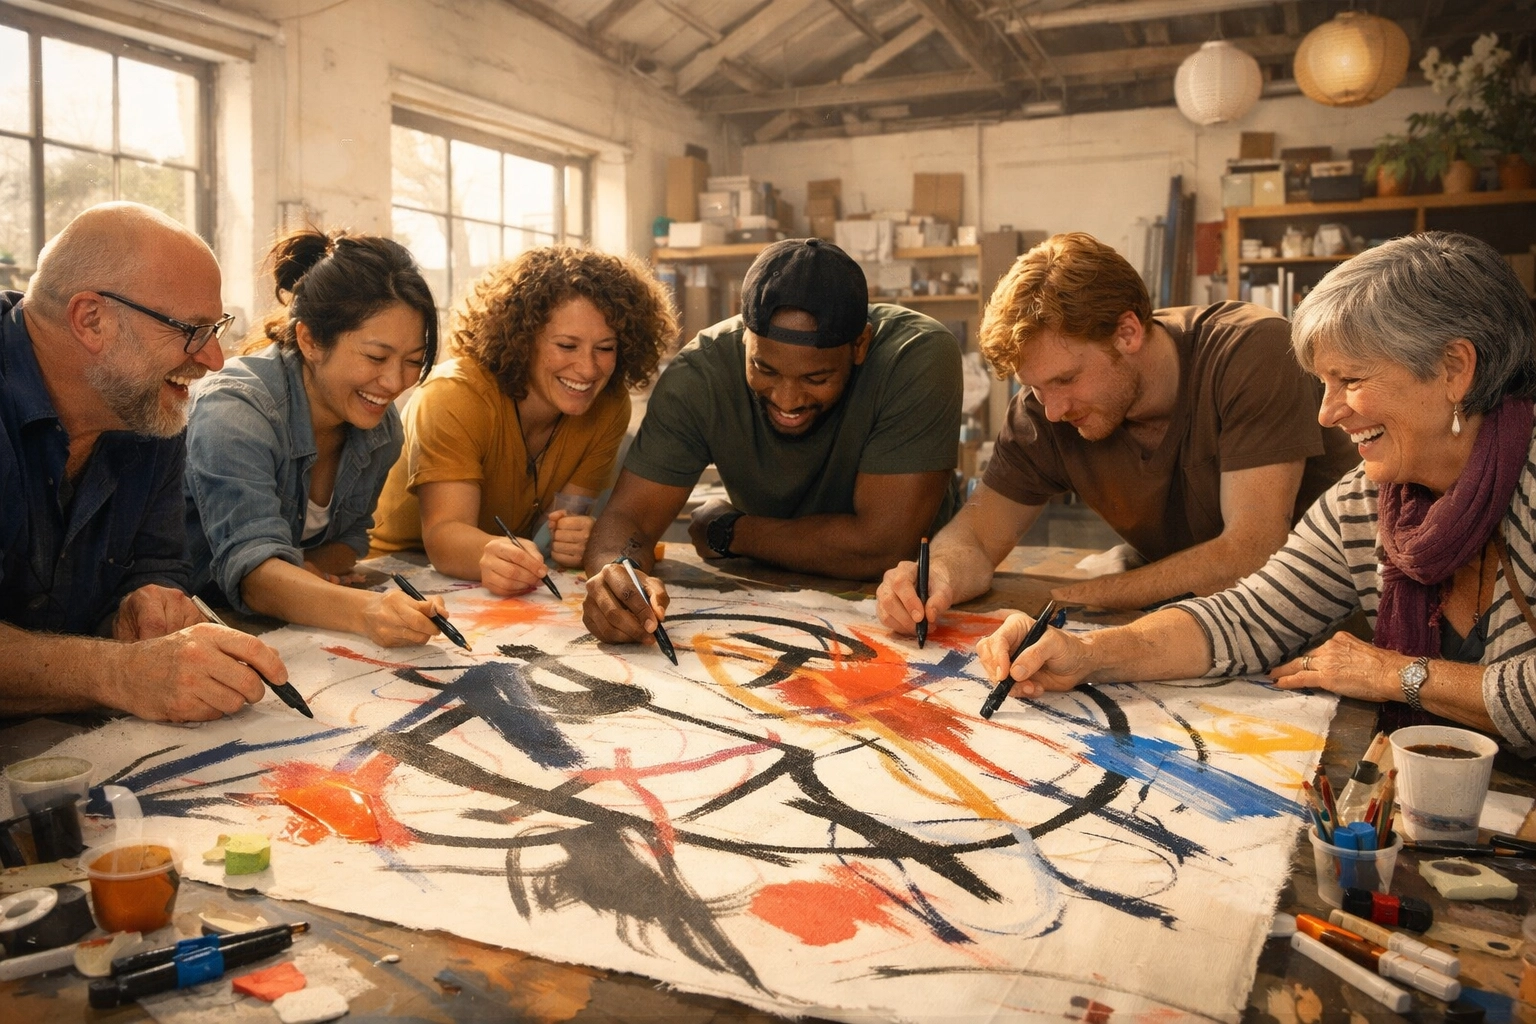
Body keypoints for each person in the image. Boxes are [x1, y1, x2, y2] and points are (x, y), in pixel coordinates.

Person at [975, 232, 1536, 748]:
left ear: (1454, 368)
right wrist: (1088, 653)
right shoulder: (1366, 504)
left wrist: (1393, 673)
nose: (1326, 412)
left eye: (1352, 381)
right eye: (1323, 383)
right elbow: (1248, 617)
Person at [878, 231, 1359, 633]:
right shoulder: (1043, 409)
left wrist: (1074, 596)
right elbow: (976, 540)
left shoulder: (1250, 350)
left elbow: (1250, 552)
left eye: (1065, 379)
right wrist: (937, 575)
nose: (1054, 410)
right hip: (1197, 618)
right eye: (1036, 386)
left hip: (1331, 616)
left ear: (1127, 332)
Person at [583, 237, 963, 647]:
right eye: (764, 369)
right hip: (765, 595)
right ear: (744, 335)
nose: (787, 399)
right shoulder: (699, 375)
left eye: (815, 379)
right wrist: (615, 578)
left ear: (861, 346)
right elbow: (630, 519)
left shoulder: (916, 355)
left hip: (913, 608)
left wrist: (731, 533)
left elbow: (880, 548)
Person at [0, 202, 287, 721]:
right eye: (191, 329)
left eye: (216, 327)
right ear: (91, 320)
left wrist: (140, 605)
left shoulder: (146, 404)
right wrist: (120, 673)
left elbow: (159, 562)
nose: (214, 359)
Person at [184, 228, 450, 647]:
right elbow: (253, 573)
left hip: (270, 630)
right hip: (186, 627)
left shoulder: (379, 428)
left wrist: (298, 573)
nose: (395, 381)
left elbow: (350, 541)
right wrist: (366, 612)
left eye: (413, 361)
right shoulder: (236, 408)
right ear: (309, 340)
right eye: (376, 357)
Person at [368, 246, 676, 595]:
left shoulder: (608, 405)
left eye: (605, 348)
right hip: (392, 575)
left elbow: (557, 522)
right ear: (521, 338)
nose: (588, 369)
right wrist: (498, 553)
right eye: (567, 346)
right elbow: (444, 536)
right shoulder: (453, 394)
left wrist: (573, 537)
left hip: (505, 583)